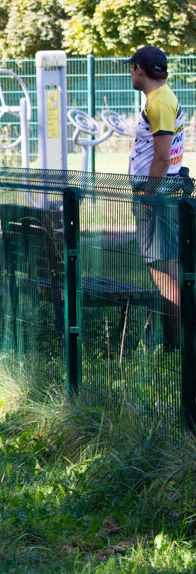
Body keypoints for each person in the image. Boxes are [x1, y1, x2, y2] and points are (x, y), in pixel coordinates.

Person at [126, 46, 186, 349]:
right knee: (163, 271)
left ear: (139, 68)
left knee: (164, 274)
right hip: (160, 196)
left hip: (157, 199)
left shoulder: (159, 101)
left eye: (131, 68)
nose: (130, 74)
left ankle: (177, 347)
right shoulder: (160, 98)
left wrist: (149, 195)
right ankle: (176, 344)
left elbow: (162, 158)